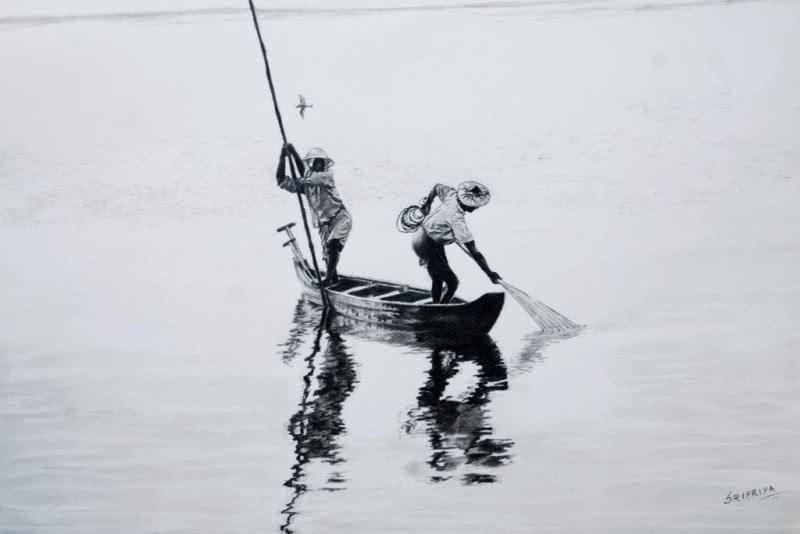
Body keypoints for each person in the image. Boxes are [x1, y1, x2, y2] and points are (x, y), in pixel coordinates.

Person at [412, 182, 501, 303]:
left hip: (425, 238)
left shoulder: (452, 195)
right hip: (426, 244)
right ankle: (441, 310)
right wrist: (490, 273)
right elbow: (475, 253)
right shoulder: (457, 220)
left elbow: (436, 187)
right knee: (452, 283)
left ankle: (436, 305)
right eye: (476, 205)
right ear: (468, 204)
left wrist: (427, 204)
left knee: (438, 278)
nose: (477, 207)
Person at [277, 144, 352, 286]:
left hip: (340, 217)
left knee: (333, 245)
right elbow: (281, 180)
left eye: (320, 162)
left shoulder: (327, 176)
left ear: (324, 164)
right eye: (315, 162)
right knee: (328, 255)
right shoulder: (306, 185)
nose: (318, 165)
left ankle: (328, 279)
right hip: (324, 224)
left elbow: (306, 176)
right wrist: (283, 157)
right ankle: (333, 279)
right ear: (312, 164)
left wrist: (294, 153)